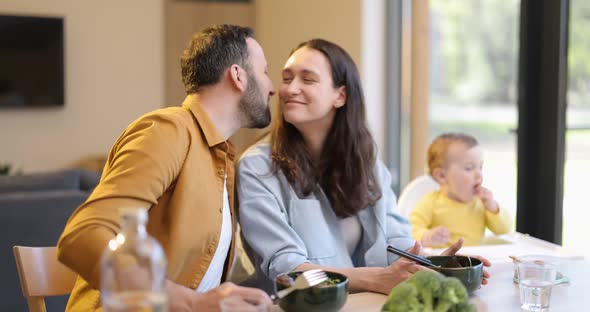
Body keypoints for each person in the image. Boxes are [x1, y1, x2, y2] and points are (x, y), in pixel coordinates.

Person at [236, 39, 490, 295]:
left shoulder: (365, 160)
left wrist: (431, 265)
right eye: (287, 78)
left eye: (308, 79)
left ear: (341, 95)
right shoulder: (256, 167)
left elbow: (396, 238)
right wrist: (374, 279)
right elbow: (287, 272)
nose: (291, 88)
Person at [57, 24, 275, 311]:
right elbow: (81, 236)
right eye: (265, 72)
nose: (272, 88)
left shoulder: (221, 156)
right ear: (238, 76)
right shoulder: (168, 131)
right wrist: (193, 303)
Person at [409, 133, 512, 248]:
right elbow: (409, 231)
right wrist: (427, 236)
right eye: (469, 168)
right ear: (442, 175)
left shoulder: (481, 204)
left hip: (476, 262)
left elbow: (504, 230)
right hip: (444, 263)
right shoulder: (431, 202)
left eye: (480, 167)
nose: (479, 174)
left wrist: (493, 207)